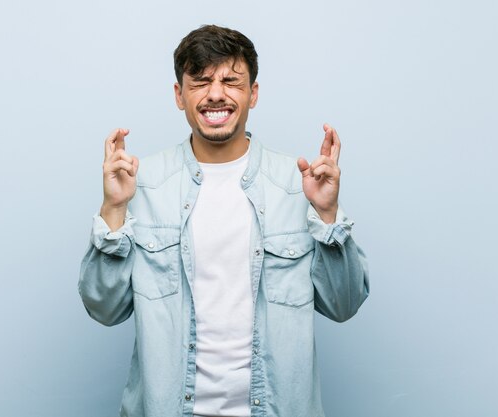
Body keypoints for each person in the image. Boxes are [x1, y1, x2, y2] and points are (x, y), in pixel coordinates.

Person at [79, 24, 369, 417]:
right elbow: (104, 309)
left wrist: (328, 215)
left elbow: (344, 305)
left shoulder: (297, 184)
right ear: (180, 96)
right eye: (200, 81)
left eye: (231, 81)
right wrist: (113, 209)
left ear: (254, 93)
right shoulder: (140, 183)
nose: (216, 94)